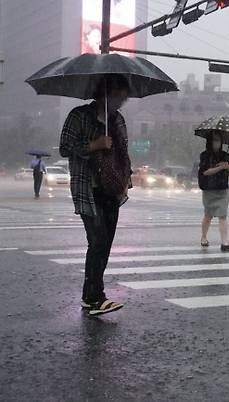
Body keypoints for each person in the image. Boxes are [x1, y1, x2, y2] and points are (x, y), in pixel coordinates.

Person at [59, 74, 132, 316]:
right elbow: (64, 147)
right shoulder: (79, 116)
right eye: (117, 95)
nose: (120, 101)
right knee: (97, 240)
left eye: (123, 97)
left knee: (105, 244)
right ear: (104, 92)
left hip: (112, 189)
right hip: (87, 188)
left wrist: (126, 177)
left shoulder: (118, 120)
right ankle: (93, 297)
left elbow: (123, 152)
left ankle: (92, 295)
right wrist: (94, 145)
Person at [198, 134, 229, 251]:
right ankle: (204, 237)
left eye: (219, 140)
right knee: (208, 215)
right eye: (215, 140)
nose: (217, 142)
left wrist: (226, 166)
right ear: (210, 141)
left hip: (222, 188)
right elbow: (205, 172)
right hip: (209, 189)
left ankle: (224, 242)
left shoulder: (225, 155)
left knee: (222, 215)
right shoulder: (205, 155)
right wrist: (219, 168)